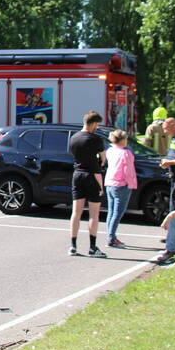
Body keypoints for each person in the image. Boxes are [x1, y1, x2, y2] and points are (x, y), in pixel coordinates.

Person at [67, 110, 107, 258]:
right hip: (92, 176)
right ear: (94, 123)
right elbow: (103, 160)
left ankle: (73, 246)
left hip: (77, 175)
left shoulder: (74, 138)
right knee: (94, 214)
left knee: (76, 213)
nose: (97, 127)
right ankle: (92, 247)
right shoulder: (96, 139)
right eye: (97, 124)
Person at [104, 129, 136, 248]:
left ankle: (111, 235)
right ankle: (111, 238)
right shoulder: (126, 153)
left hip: (110, 183)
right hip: (122, 184)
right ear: (122, 140)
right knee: (118, 213)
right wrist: (131, 184)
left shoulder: (110, 150)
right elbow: (128, 171)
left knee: (111, 211)